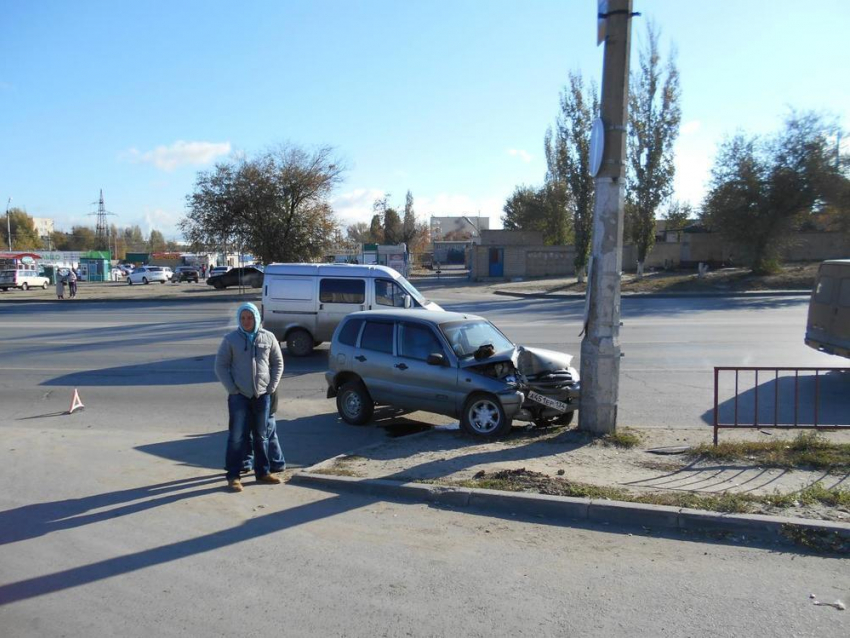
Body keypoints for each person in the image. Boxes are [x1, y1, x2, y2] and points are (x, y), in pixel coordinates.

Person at [215, 302, 284, 492]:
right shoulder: (230, 339)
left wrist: (271, 386)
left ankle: (263, 472)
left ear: (257, 318)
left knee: (261, 436)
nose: (246, 321)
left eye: (250, 317)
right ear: (239, 319)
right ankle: (233, 476)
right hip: (239, 396)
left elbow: (278, 363)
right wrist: (232, 388)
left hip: (262, 395)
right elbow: (220, 365)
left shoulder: (268, 337)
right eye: (243, 318)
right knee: (237, 436)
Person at [241, 384, 286, 475]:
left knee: (267, 431)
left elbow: (277, 370)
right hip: (248, 394)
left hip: (265, 394)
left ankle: (276, 462)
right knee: (246, 430)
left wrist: (270, 388)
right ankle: (245, 462)